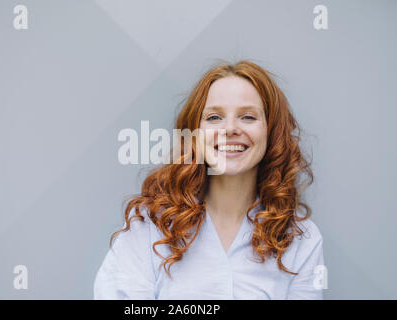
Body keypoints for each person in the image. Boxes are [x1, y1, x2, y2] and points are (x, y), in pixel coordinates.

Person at [93, 60, 324, 299]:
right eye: (214, 117)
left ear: (271, 132)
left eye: (248, 117)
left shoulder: (301, 239)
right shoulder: (150, 226)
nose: (230, 128)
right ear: (195, 133)